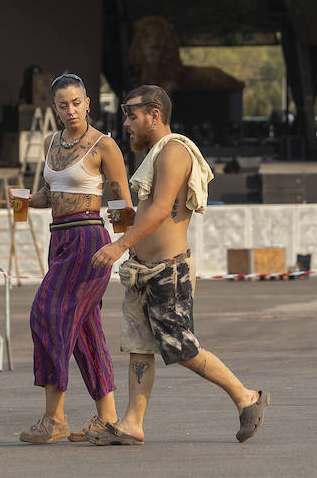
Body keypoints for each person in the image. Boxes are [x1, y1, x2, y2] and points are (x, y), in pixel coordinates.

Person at [88, 84, 268, 445]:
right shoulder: (154, 154)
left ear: (155, 115)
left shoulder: (174, 151)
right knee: (139, 346)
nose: (127, 123)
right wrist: (122, 218)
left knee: (181, 348)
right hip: (143, 269)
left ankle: (246, 397)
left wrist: (118, 244)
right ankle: (132, 423)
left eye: (132, 115)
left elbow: (159, 210)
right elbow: (145, 211)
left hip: (168, 271)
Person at [20, 73, 132, 444]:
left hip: (88, 239)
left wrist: (123, 246)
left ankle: (55, 418)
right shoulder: (52, 142)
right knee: (85, 330)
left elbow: (120, 199)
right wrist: (23, 199)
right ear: (55, 108)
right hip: (59, 239)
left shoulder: (104, 145)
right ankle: (109, 418)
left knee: (47, 313)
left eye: (77, 102)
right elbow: (52, 192)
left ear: (88, 102)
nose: (71, 110)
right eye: (63, 104)